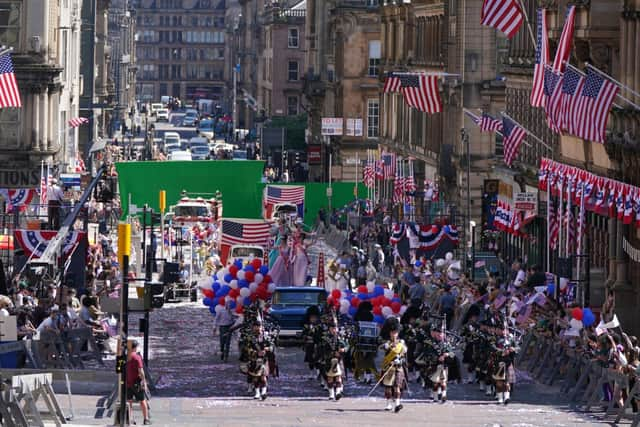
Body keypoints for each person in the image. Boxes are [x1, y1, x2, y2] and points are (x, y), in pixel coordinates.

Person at [380, 317, 408, 412]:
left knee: (397, 386)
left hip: (398, 367)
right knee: (388, 387)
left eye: (395, 332)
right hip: (388, 367)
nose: (394, 334)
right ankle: (388, 404)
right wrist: (386, 346)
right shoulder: (387, 343)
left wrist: (400, 360)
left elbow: (404, 353)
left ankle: (397, 404)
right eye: (392, 332)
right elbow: (381, 347)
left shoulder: (401, 343)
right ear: (389, 333)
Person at [126, 340, 151, 425]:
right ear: (135, 347)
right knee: (142, 400)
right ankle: (146, 419)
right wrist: (144, 381)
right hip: (136, 382)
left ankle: (130, 418)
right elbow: (141, 370)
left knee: (129, 401)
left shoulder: (126, 356)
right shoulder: (137, 357)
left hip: (127, 382)